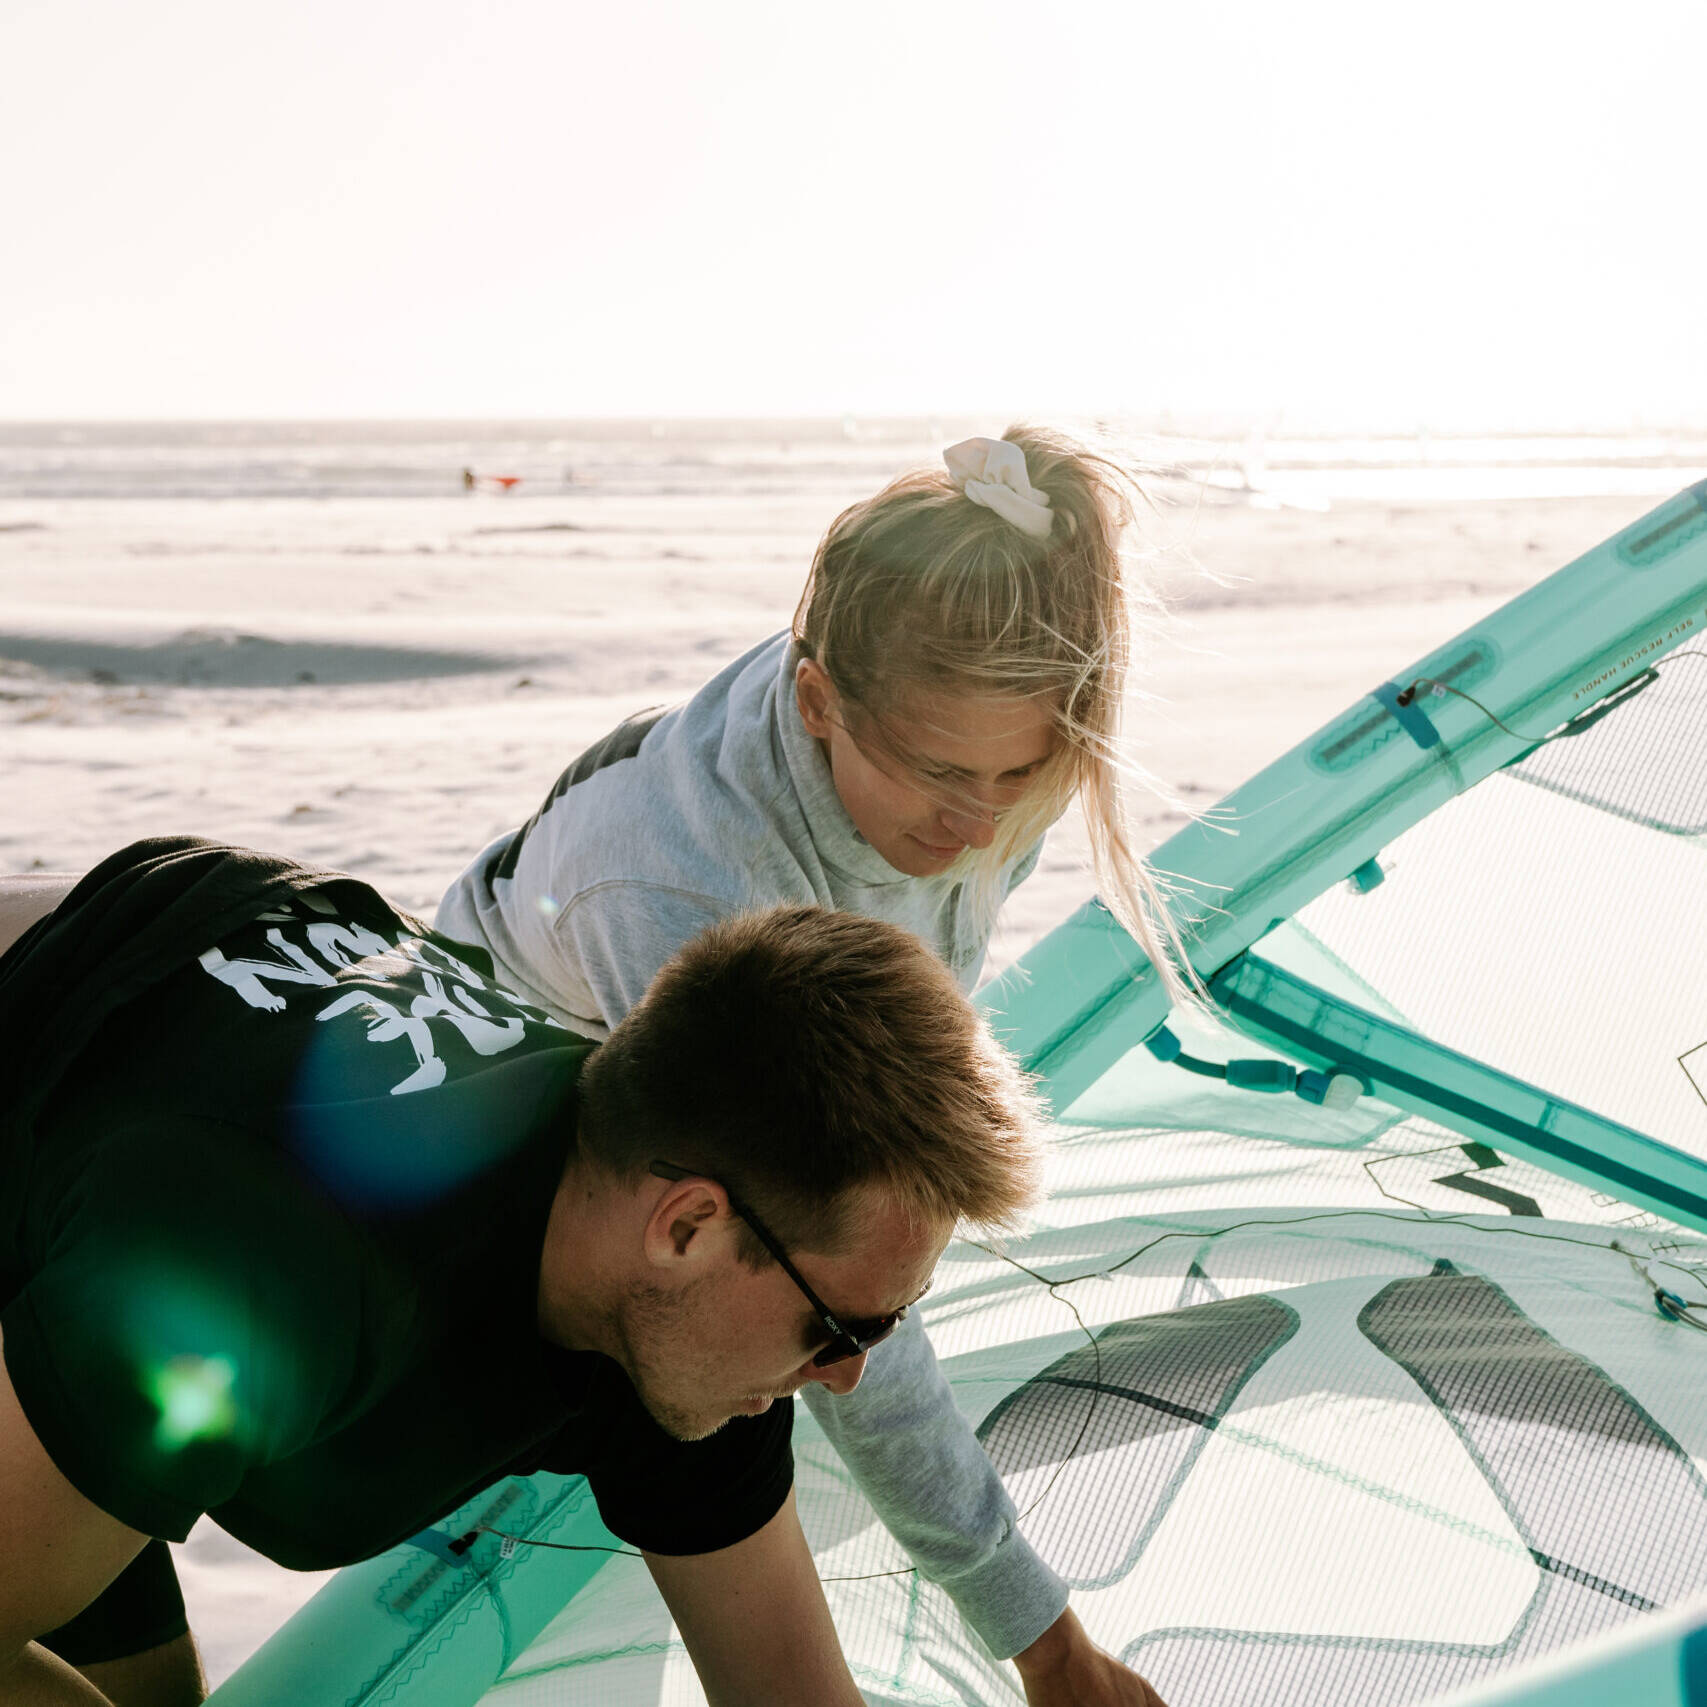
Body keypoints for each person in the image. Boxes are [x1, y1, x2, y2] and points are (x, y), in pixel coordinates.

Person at [0, 837, 1126, 1707]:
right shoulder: (279, 1280)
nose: (843, 1377)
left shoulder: (672, 1288)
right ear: (687, 1225)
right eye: (841, 1329)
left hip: (109, 1108)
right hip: (84, 1097)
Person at [436, 427, 1190, 1703]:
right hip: (499, 1121)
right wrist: (1043, 1638)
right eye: (941, 775)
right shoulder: (683, 887)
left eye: (1022, 776)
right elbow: (852, 1313)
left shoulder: (992, 753)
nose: (980, 827)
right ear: (815, 700)